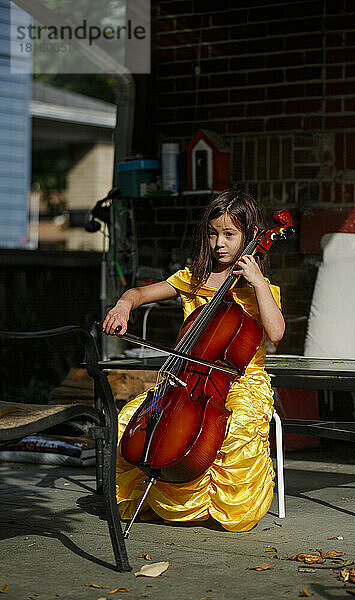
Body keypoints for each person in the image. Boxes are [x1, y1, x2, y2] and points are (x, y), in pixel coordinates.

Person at [102, 189, 285, 532]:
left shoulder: (258, 288)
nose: (220, 243)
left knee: (235, 427)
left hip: (243, 381)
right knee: (130, 418)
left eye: (230, 234)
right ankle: (155, 499)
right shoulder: (192, 279)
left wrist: (258, 282)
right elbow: (138, 293)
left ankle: (214, 507)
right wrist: (123, 306)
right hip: (187, 380)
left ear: (248, 237)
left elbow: (275, 333)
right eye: (213, 233)